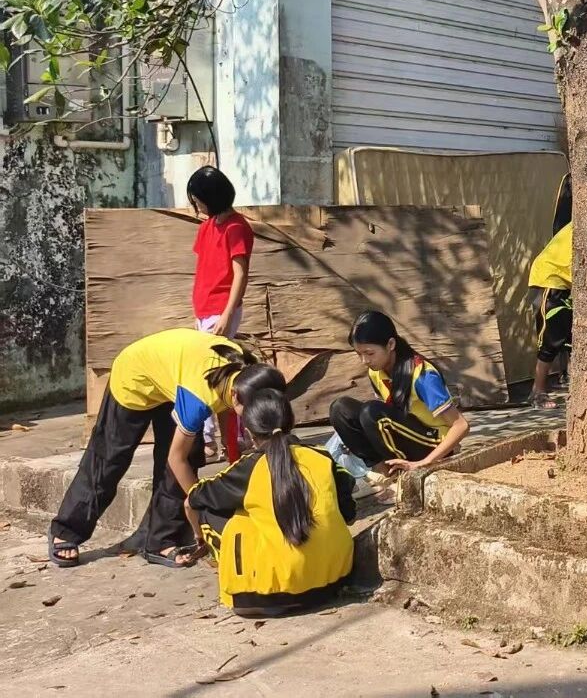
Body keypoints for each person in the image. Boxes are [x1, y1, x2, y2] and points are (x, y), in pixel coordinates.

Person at [48, 329, 285, 568]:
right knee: (109, 459)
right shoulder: (198, 398)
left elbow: (226, 402)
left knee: (189, 455)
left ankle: (161, 540)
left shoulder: (251, 372)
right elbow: (176, 458)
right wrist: (203, 504)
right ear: (236, 396)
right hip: (136, 376)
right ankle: (67, 529)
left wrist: (230, 442)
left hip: (175, 378)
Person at [187, 389, 356, 617]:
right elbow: (349, 513)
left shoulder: (248, 467)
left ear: (249, 432)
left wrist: (197, 533)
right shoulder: (322, 456)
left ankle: (236, 575)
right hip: (333, 582)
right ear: (292, 422)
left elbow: (195, 497)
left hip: (263, 597)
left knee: (211, 512)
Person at [330, 311, 470, 481]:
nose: (364, 360)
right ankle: (385, 473)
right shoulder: (376, 372)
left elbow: (461, 425)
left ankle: (403, 474)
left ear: (390, 344)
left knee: (371, 412)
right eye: (359, 354)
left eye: (370, 353)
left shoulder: (422, 376)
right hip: (407, 434)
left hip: (434, 444)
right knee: (341, 409)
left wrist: (424, 463)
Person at [188, 165, 255, 461]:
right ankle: (219, 437)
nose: (197, 206)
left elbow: (240, 274)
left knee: (214, 375)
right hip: (204, 310)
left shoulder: (236, 227)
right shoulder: (206, 227)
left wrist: (228, 313)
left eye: (198, 200)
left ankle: (221, 438)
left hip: (221, 309)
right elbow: (204, 268)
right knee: (210, 372)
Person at [527, 221, 573, 410]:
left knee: (572, 339)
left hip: (565, 282)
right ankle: (537, 393)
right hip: (551, 280)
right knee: (550, 339)